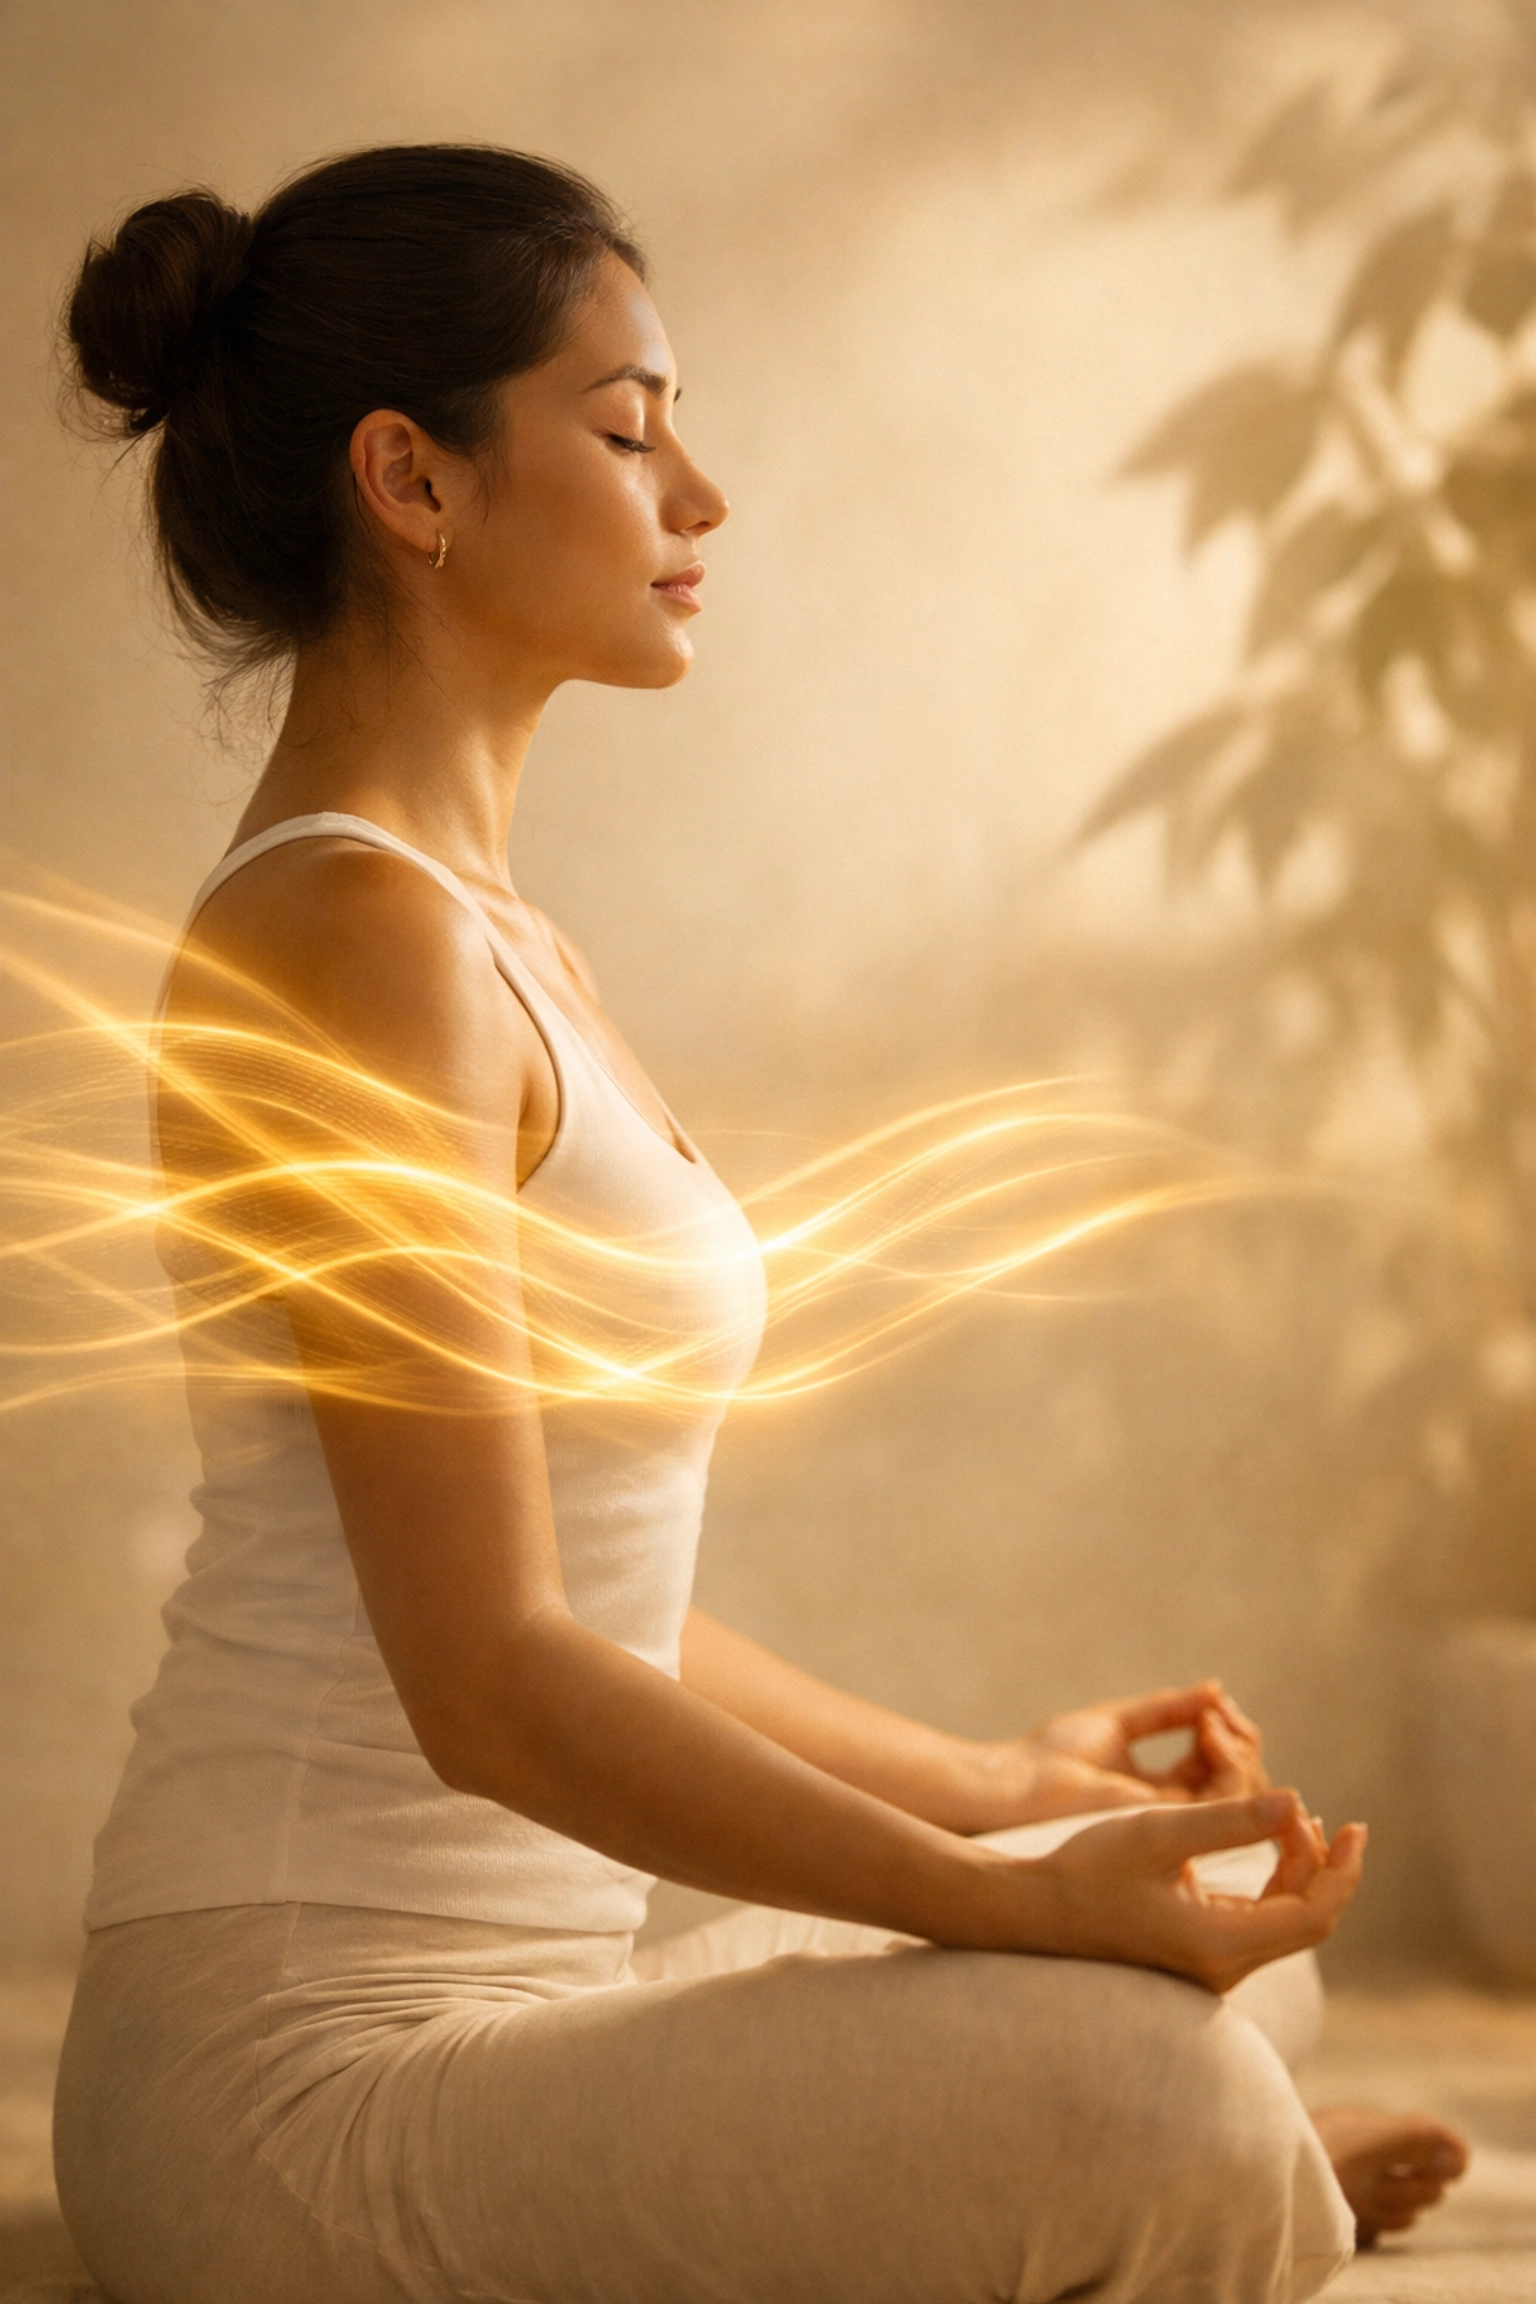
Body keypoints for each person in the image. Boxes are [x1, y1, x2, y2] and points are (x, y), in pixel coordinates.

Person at [51, 145, 1465, 2304]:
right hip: (293, 2092)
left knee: (1173, 1926)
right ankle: (1172, 2168)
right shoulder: (349, 938)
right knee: (1145, 2066)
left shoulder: (488, 937)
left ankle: (1142, 2152)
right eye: (628, 431)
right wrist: (1010, 1914)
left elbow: (570, 1588)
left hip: (531, 2010)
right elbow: (494, 1684)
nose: (699, 495)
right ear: (411, 483)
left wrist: (999, 1792)